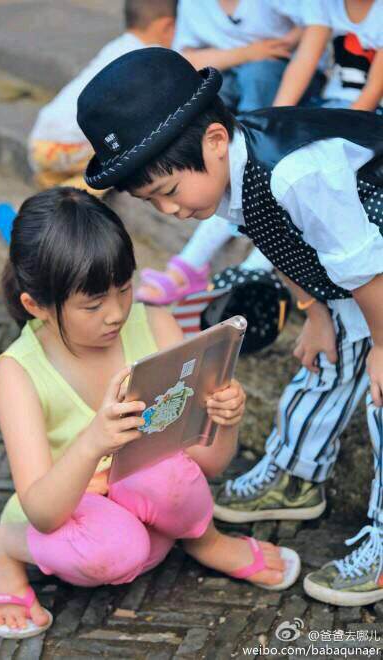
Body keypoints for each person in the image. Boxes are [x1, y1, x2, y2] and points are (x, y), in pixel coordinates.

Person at [77, 48, 383, 606]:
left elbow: (365, 265)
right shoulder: (229, 173)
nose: (170, 212)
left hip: (374, 266)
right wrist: (314, 312)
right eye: (152, 203)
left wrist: (382, 345)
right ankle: (296, 474)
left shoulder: (297, 172)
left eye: (169, 192)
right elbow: (278, 238)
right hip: (352, 275)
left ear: (214, 140)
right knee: (328, 358)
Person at [0, 187, 299, 635]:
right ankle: (1, 548)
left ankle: (206, 540)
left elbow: (207, 464)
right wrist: (94, 442)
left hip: (142, 501)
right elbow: (43, 512)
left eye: (124, 289)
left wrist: (224, 421)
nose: (115, 313)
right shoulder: (18, 371)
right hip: (71, 517)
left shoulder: (154, 323)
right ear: (37, 306)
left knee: (167, 480)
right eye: (93, 304)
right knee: (117, 551)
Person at [135, 0, 326, 306]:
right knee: (227, 179)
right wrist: (249, 52)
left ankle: (244, 274)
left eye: (166, 193)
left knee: (253, 183)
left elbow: (316, 27)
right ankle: (194, 267)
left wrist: (269, 121)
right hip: (242, 96)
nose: (168, 208)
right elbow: (184, 59)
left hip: (283, 99)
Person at [28, 0, 177, 192]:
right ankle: (66, 196)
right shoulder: (149, 58)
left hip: (40, 140)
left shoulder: (117, 46)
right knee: (125, 160)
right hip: (66, 146)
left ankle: (51, 179)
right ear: (167, 26)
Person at [273, 0, 383, 111]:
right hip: (330, 103)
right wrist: (277, 114)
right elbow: (304, 61)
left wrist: (346, 121)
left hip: (370, 110)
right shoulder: (325, 3)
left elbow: (375, 87)